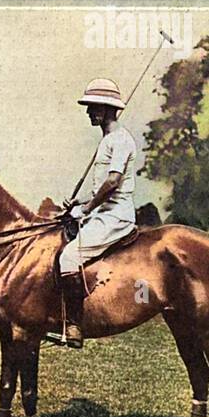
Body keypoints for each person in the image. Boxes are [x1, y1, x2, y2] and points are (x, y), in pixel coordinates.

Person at [58, 78, 138, 349]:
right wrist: (76, 203)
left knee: (69, 257)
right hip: (102, 212)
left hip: (115, 216)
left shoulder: (122, 140)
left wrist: (86, 209)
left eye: (93, 107)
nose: (88, 112)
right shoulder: (107, 140)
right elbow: (98, 187)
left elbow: (113, 181)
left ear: (106, 109)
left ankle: (75, 324)